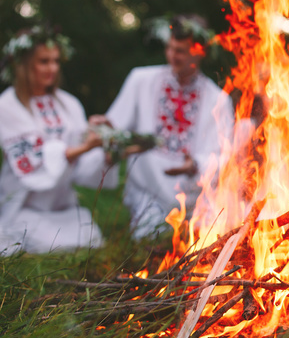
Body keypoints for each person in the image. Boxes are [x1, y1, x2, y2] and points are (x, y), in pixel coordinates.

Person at [105, 14, 234, 239]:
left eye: (180, 51)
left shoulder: (218, 99)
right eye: (170, 48)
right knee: (151, 235)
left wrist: (195, 164)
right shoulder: (141, 80)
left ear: (200, 51)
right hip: (148, 191)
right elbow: (115, 129)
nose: (172, 56)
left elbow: (225, 156)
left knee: (215, 238)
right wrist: (105, 131)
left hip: (195, 195)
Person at [0, 26, 117, 255]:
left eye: (56, 61)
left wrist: (104, 145)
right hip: (24, 207)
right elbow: (31, 158)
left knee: (90, 237)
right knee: (50, 244)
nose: (52, 68)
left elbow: (82, 167)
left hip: (62, 207)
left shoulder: (69, 104)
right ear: (23, 64)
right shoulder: (7, 105)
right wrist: (83, 147)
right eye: (44, 61)